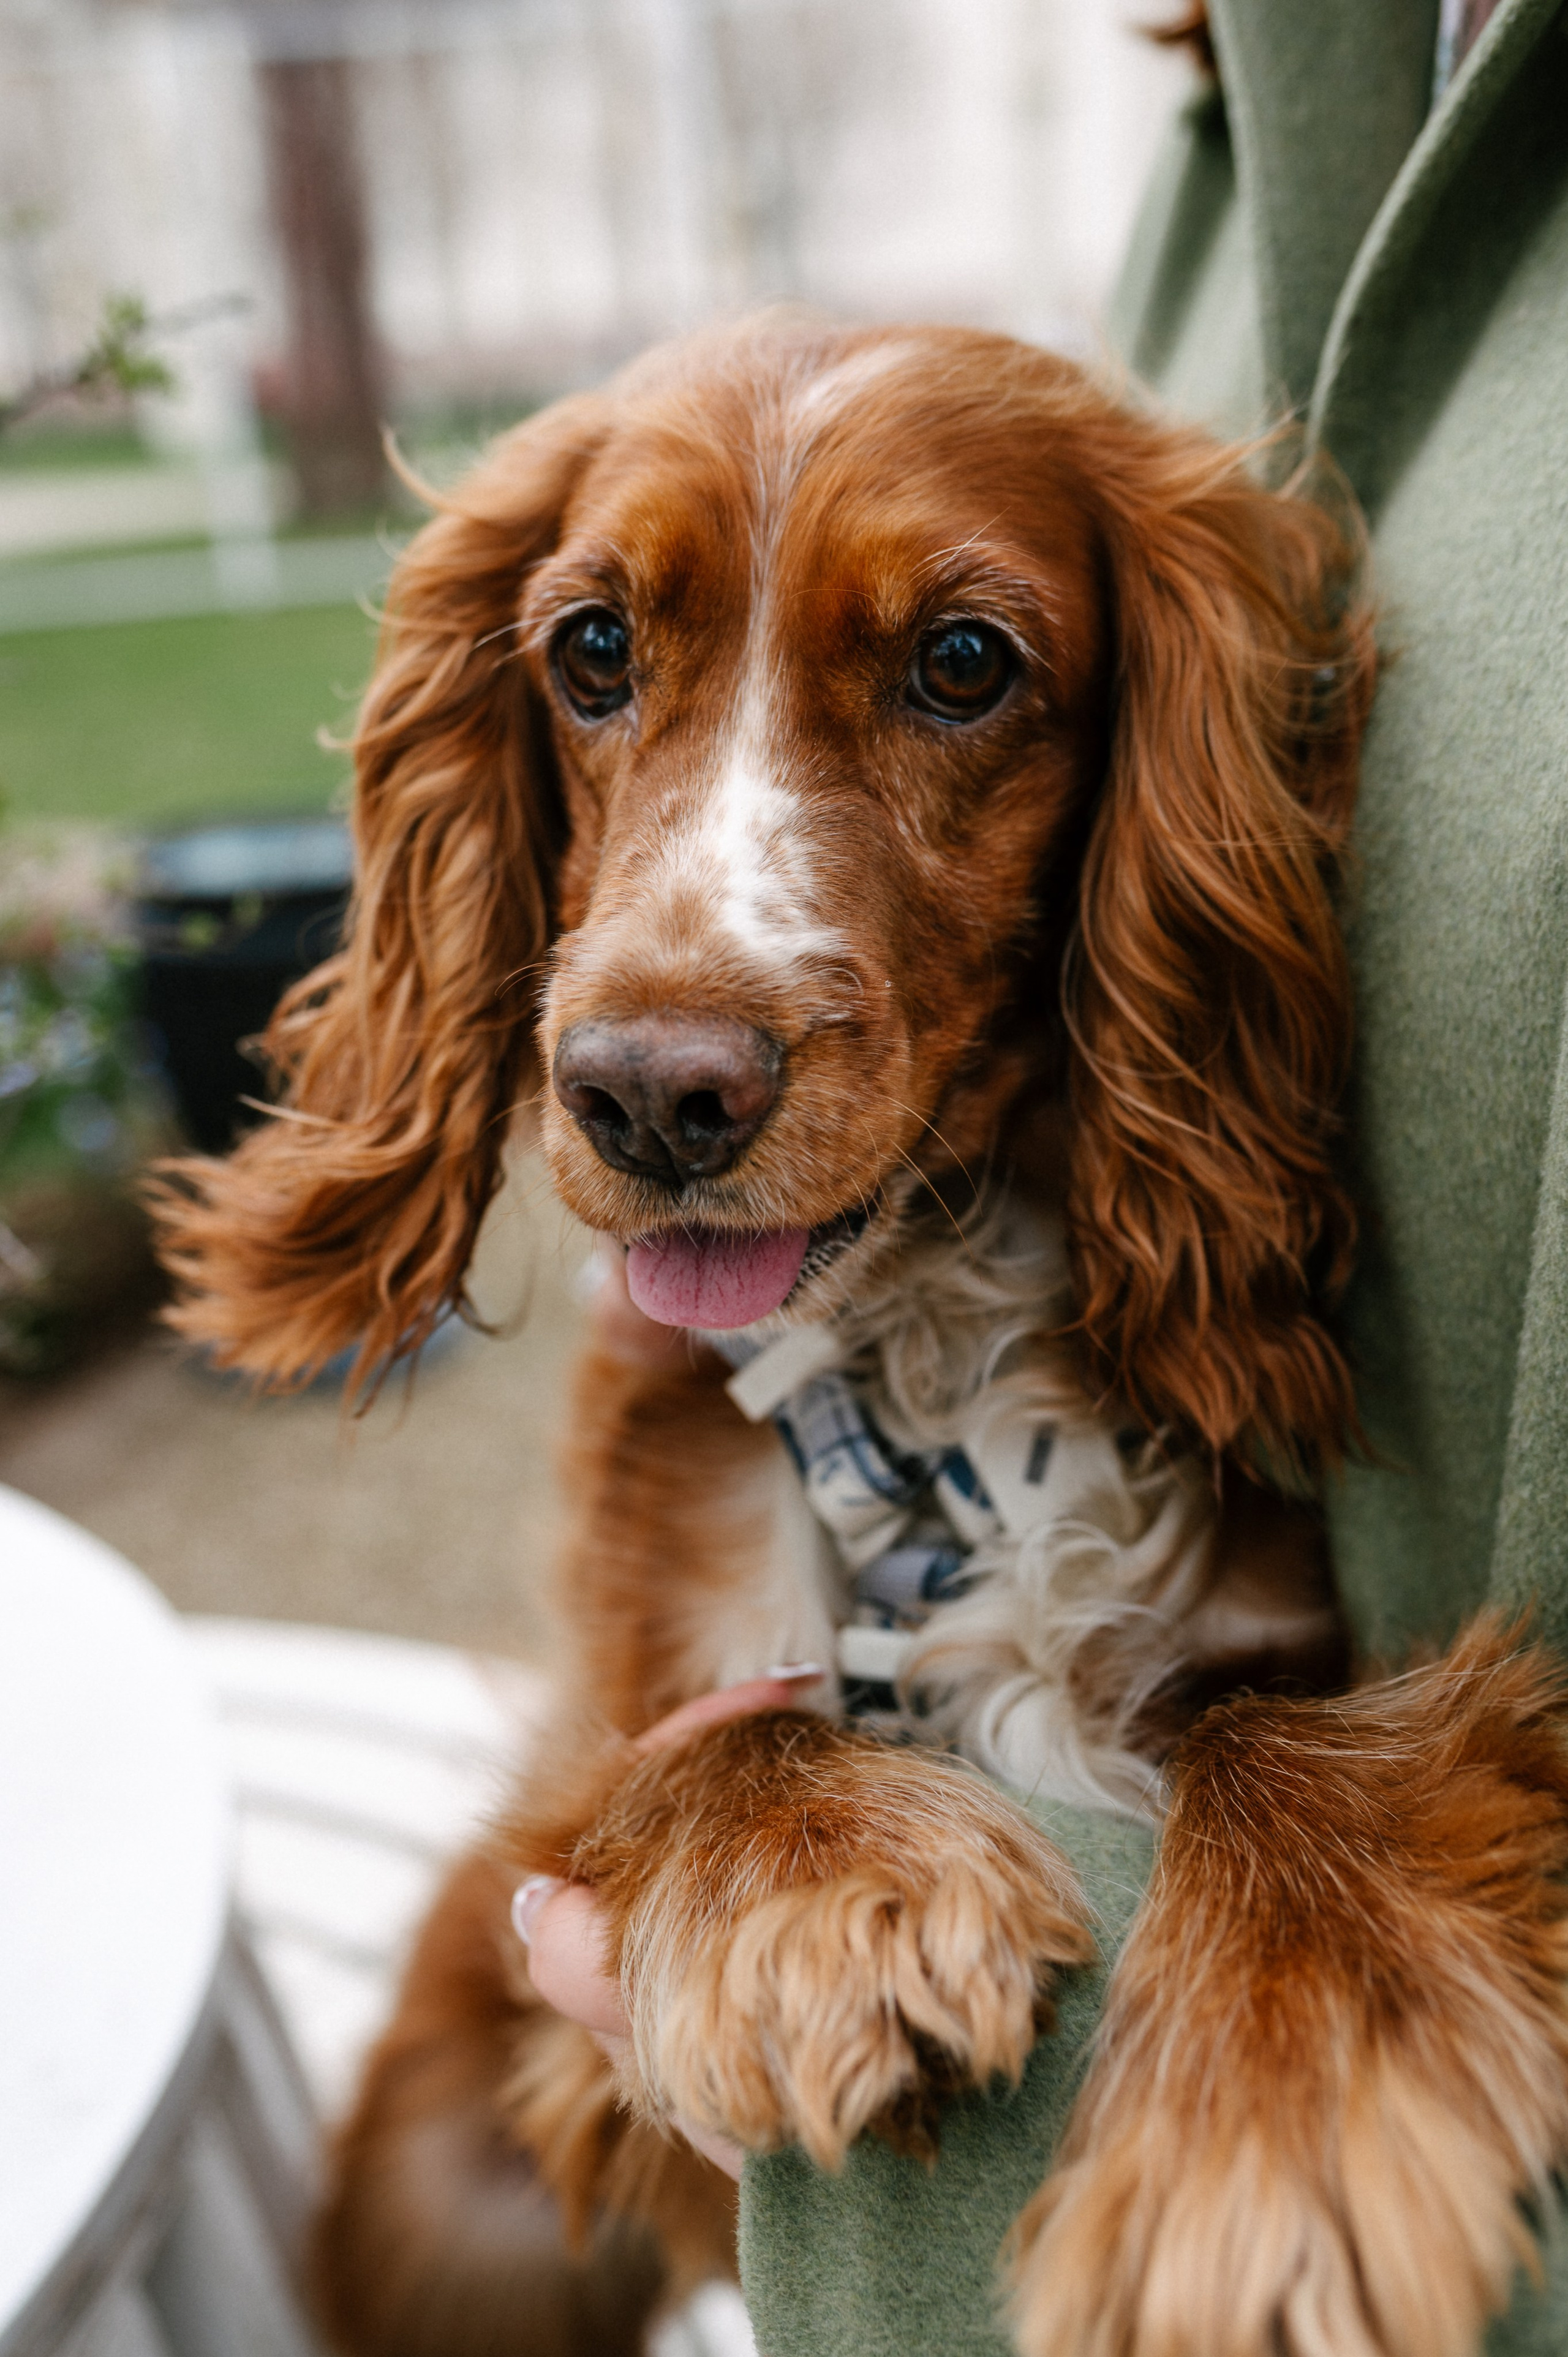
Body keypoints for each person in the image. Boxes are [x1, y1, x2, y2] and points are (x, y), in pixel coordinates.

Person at [527, 1, 1568, 2347]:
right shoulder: (1243, 107)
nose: (677, 1006)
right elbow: (581, 1950)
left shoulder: (1239, 1415)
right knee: (429, 2226)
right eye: (600, 655)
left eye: (959, 673)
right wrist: (713, 1829)